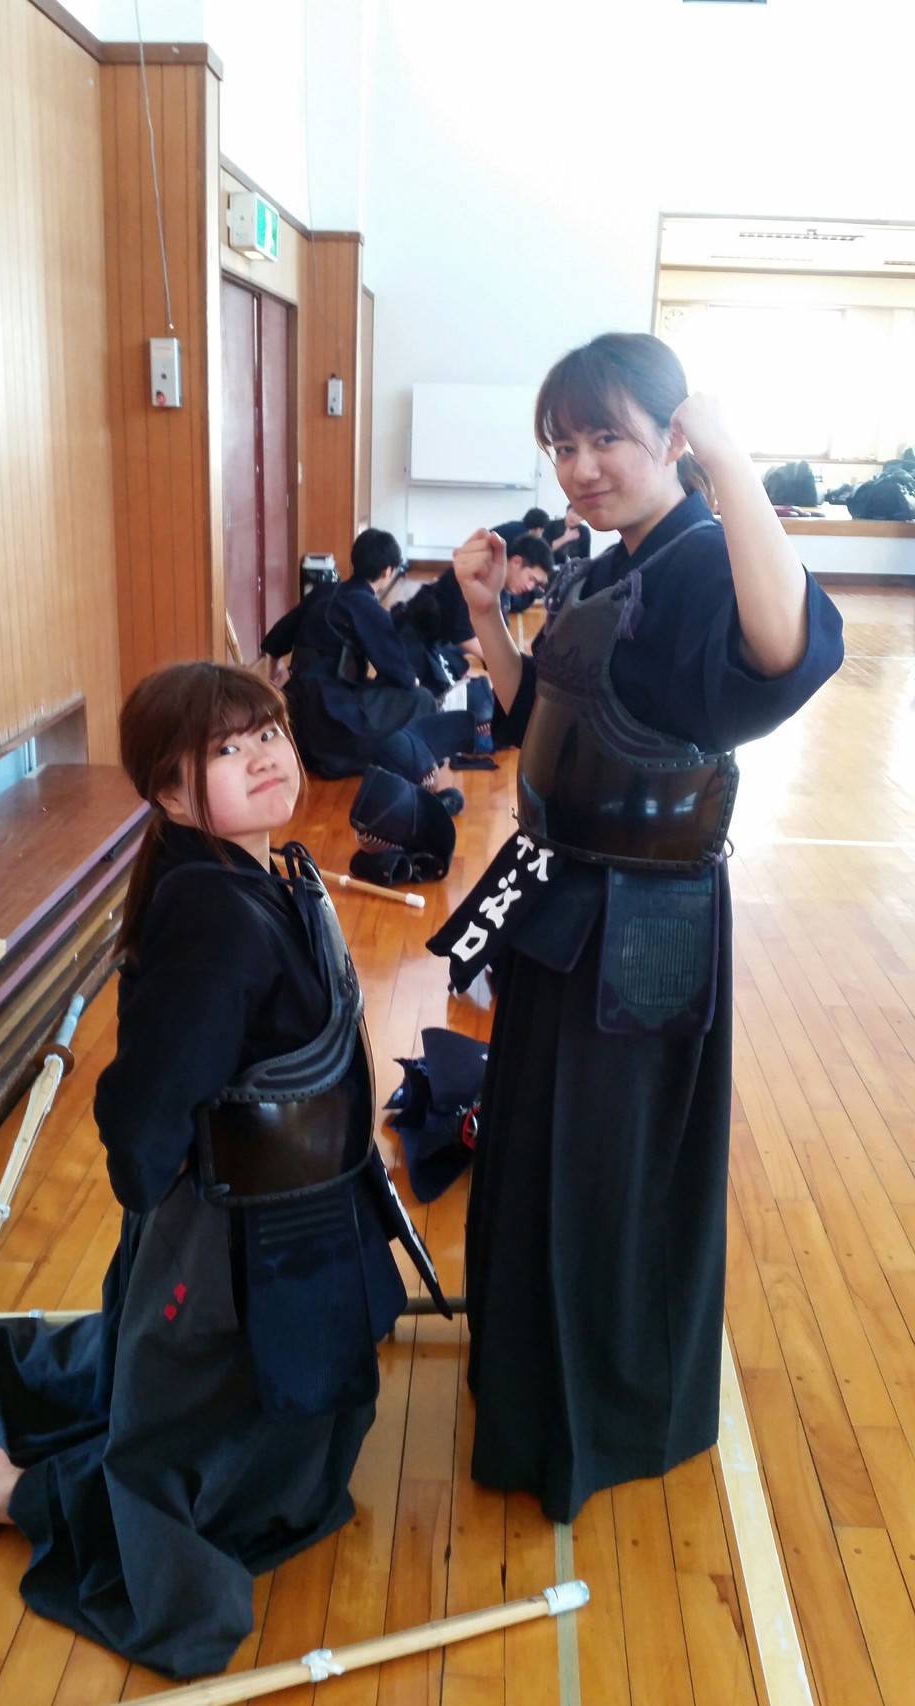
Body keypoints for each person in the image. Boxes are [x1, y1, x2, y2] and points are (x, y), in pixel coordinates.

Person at [0, 661, 446, 1676]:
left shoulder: (272, 872)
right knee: (230, 1478)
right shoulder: (212, 912)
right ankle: (17, 1491)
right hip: (234, 1235)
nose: (264, 755)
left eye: (268, 731)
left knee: (299, 1444)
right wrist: (172, 1225)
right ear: (172, 795)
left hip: (296, 1223)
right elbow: (144, 1113)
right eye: (225, 747)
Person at [432, 332, 844, 1524]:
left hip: (644, 920)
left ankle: (595, 1418)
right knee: (537, 1149)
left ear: (671, 434)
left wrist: (735, 464)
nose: (580, 466)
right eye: (563, 443)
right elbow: (538, 718)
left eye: (606, 436)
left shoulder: (708, 556)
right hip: (561, 896)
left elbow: (788, 652)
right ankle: (530, 1382)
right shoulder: (605, 566)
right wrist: (484, 612)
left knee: (610, 1172)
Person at [261, 527, 436, 779]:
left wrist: (274, 666)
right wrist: (415, 681)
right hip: (333, 714)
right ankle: (406, 755)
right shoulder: (367, 607)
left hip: (298, 710)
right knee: (420, 697)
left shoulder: (323, 591)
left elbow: (276, 637)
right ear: (387, 571)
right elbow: (399, 673)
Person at [398, 533, 554, 667]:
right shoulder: (475, 576)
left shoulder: (502, 589)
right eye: (531, 579)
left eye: (535, 583)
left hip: (439, 641)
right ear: (516, 562)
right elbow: (463, 636)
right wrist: (504, 663)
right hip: (413, 636)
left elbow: (499, 632)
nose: (529, 587)